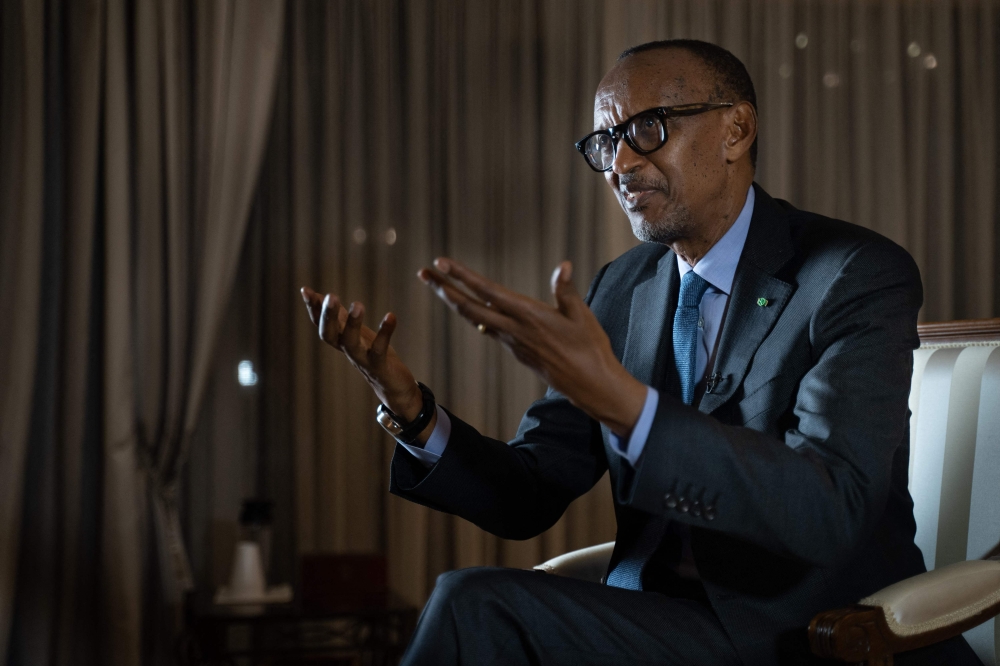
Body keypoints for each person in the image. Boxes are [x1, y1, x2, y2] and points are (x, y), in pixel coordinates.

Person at [300, 40, 982, 666]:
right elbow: (527, 496)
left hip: (802, 631)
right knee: (476, 608)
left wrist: (627, 407)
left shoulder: (852, 272)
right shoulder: (622, 288)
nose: (622, 164)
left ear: (735, 131)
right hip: (654, 621)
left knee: (472, 604)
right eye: (606, 141)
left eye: (647, 130)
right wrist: (412, 409)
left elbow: (828, 508)